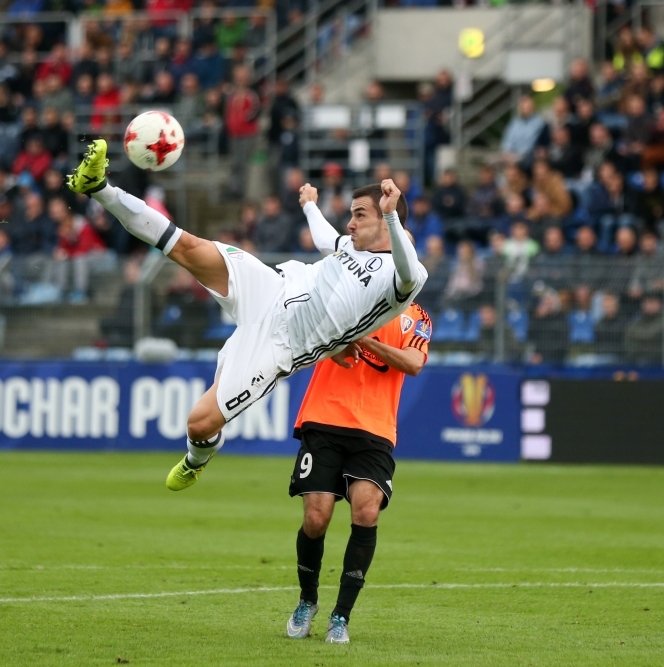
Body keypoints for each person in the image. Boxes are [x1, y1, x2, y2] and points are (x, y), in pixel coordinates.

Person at [66, 140, 427, 490]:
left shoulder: (402, 278)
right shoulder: (350, 245)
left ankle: (197, 459)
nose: (350, 224)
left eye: (359, 215)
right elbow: (324, 240)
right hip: (270, 288)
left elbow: (408, 269)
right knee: (186, 246)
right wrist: (310, 206)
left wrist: (393, 216)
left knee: (199, 424)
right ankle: (99, 187)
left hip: (279, 344)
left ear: (386, 219)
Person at [285, 301, 431, 645]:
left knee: (366, 511)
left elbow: (413, 363)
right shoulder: (350, 293)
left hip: (375, 427)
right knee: (316, 518)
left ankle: (341, 616)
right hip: (324, 416)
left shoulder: (416, 315)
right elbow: (309, 330)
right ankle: (307, 600)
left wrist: (365, 340)